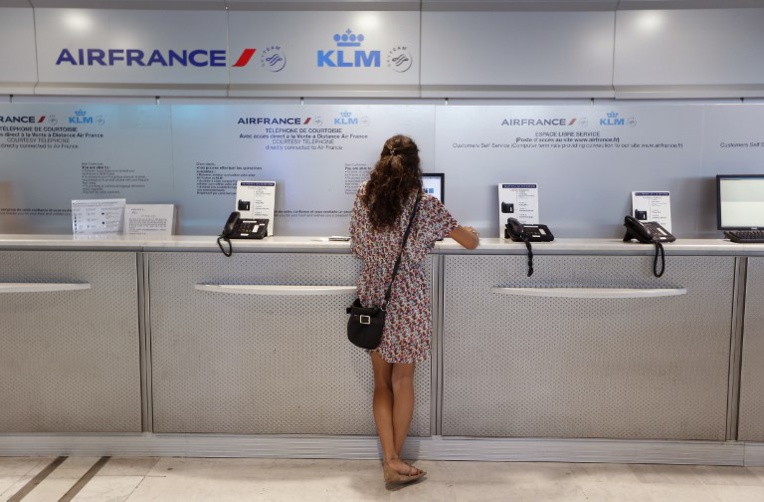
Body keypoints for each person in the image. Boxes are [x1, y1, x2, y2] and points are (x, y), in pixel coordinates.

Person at [349, 135, 479, 486]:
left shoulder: (364, 195)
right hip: (408, 297)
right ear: (414, 166)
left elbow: (357, 246)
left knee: (381, 382)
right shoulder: (425, 204)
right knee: (403, 380)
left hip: (373, 293)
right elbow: (469, 242)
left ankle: (389, 458)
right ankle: (395, 461)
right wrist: (465, 232)